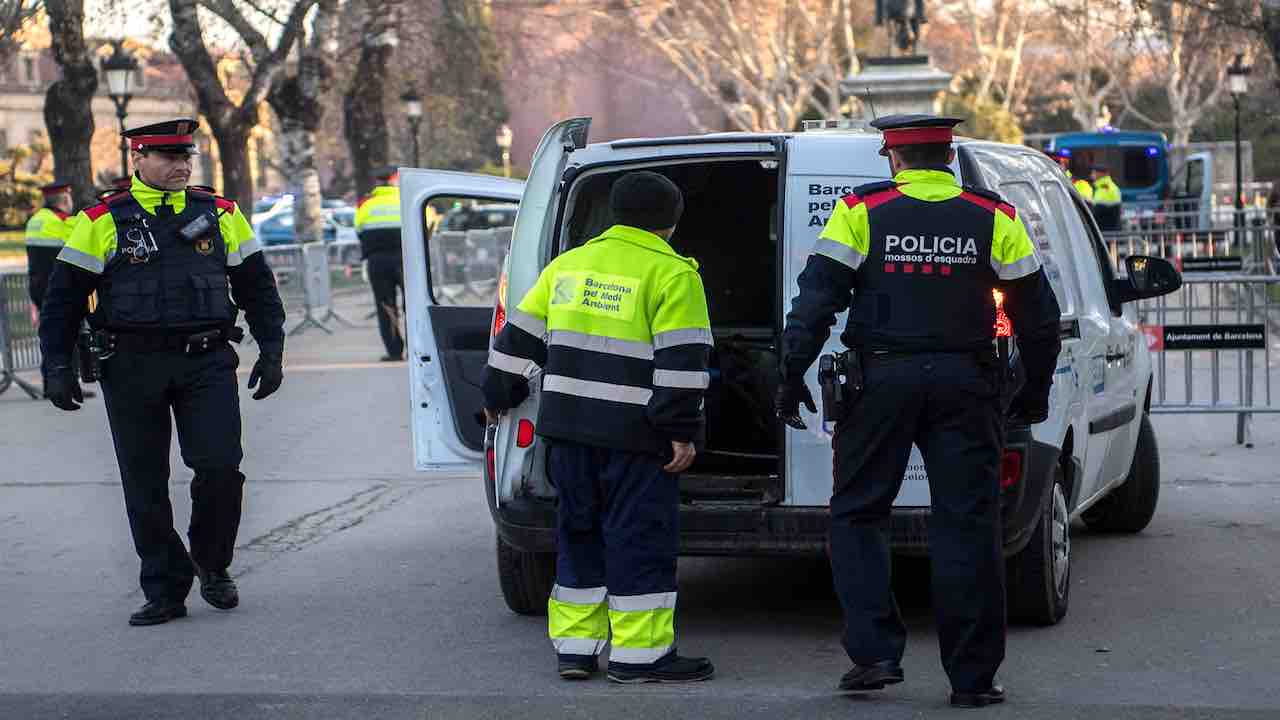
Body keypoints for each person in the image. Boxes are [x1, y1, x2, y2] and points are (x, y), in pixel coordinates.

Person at [776, 115, 1061, 708]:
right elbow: (1037, 314)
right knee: (968, 523)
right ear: (949, 158)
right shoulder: (995, 217)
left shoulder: (862, 210)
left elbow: (816, 300)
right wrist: (1034, 391)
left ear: (894, 158)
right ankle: (974, 677)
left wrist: (790, 372)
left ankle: (876, 655)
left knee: (858, 513)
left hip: (879, 381)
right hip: (968, 381)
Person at [38, 119, 286, 627]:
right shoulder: (102, 219)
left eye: (186, 156)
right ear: (138, 159)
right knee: (144, 481)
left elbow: (257, 286)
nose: (181, 165)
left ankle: (212, 565)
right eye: (168, 156)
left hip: (207, 362)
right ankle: (166, 587)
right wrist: (57, 367)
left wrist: (273, 348)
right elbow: (62, 300)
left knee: (219, 468)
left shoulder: (220, 214)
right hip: (130, 365)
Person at [481, 171, 715, 685]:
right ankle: (640, 656)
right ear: (671, 223)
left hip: (567, 433)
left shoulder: (568, 266)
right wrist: (681, 431)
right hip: (636, 439)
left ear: (613, 213)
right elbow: (682, 364)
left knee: (577, 532)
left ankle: (576, 650)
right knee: (638, 538)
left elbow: (516, 342)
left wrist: (496, 399)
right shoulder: (674, 275)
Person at [354, 166, 405, 361]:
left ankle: (394, 351)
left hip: (377, 261)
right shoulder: (406, 200)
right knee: (414, 304)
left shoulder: (365, 204)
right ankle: (419, 349)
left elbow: (358, 230)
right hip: (405, 259)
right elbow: (426, 226)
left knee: (386, 306)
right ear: (395, 179)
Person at [25, 181, 75, 310]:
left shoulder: (34, 221)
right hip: (62, 293)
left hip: (38, 292)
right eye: (70, 197)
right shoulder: (64, 223)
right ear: (64, 199)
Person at [1091, 164, 1122, 231]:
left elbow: (1098, 211)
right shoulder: (1101, 187)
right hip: (1107, 230)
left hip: (1106, 231)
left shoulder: (1106, 188)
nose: (1091, 175)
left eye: (1094, 173)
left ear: (1101, 174)